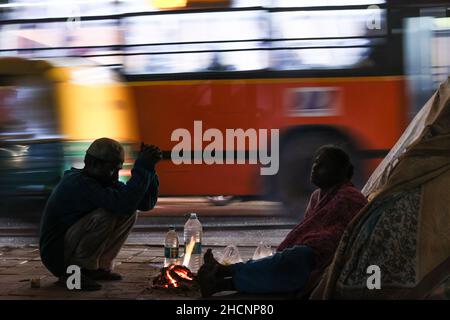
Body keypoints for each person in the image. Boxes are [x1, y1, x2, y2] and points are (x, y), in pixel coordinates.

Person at [198, 145, 368, 297]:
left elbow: (341, 237)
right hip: (310, 255)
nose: (314, 168)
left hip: (325, 260)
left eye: (322, 165)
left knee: (294, 260)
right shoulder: (317, 196)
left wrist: (314, 248)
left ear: (338, 171)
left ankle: (221, 279)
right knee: (286, 260)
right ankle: (222, 273)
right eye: (315, 163)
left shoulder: (350, 197)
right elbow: (311, 229)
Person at [39, 138, 162, 291]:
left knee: (128, 213)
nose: (116, 176)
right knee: (109, 213)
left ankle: (96, 268)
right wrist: (142, 167)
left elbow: (143, 204)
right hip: (57, 256)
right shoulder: (78, 183)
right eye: (113, 170)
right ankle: (74, 274)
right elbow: (124, 204)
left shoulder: (102, 180)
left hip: (70, 243)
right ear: (94, 164)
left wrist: (150, 169)